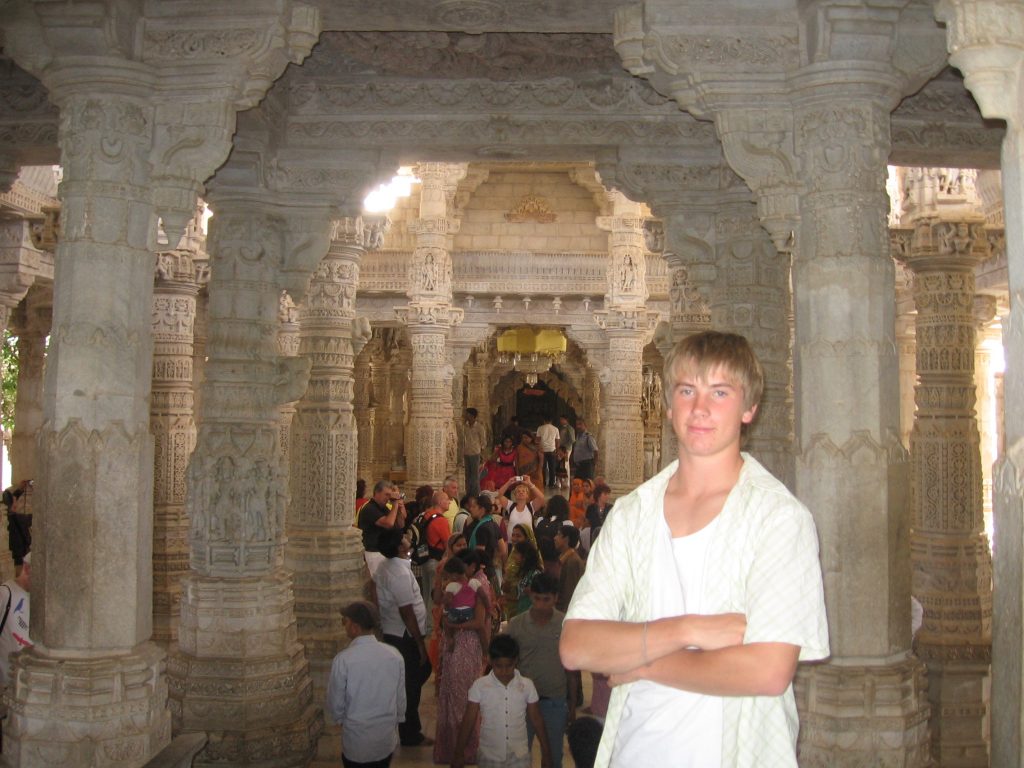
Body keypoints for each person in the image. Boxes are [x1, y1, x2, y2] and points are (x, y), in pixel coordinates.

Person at [560, 330, 830, 768]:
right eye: (687, 390)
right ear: (669, 407)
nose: (700, 408)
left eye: (720, 392)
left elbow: (767, 670)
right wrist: (688, 630)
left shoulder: (778, 518)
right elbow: (576, 645)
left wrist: (645, 663)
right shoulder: (632, 515)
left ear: (749, 408)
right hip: (635, 751)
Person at [507, 573, 577, 768]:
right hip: (522, 702)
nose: (541, 605)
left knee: (553, 757)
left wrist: (571, 706)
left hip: (554, 701)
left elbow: (571, 669)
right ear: (531, 596)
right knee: (520, 757)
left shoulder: (565, 625)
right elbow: (504, 663)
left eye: (546, 600)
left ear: (556, 598)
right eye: (537, 599)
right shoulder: (517, 625)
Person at [372, 529, 434, 748]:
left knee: (416, 676)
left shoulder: (387, 566)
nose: (409, 538)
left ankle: (406, 722)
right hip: (403, 634)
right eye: (405, 537)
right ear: (400, 546)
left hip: (396, 631)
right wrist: (419, 643)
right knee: (412, 682)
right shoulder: (397, 573)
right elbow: (406, 611)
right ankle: (410, 732)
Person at [325, 600, 405, 768]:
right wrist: (397, 719)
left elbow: (336, 702)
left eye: (344, 622)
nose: (344, 626)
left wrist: (339, 719)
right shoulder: (394, 655)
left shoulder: (344, 660)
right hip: (385, 738)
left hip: (357, 741)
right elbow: (400, 697)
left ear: (355, 627)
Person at [453, 634, 552, 768]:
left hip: (519, 755)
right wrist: (459, 753)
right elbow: (468, 719)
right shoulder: (480, 686)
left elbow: (537, 719)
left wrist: (546, 753)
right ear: (490, 661)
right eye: (499, 666)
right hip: (489, 755)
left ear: (516, 660)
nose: (504, 671)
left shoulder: (527, 686)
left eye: (509, 665)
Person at [433, 560, 489, 766]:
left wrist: (456, 627)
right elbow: (440, 603)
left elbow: (479, 623)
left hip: (465, 646)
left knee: (463, 697)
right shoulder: (458, 590)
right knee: (457, 695)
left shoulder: (474, 589)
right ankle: (456, 747)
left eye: (448, 576)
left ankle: (461, 747)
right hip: (458, 646)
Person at [357, 481, 407, 577]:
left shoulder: (384, 508)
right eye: (386, 494)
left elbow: (400, 524)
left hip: (384, 552)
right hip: (373, 553)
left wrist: (400, 507)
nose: (388, 498)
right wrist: (395, 505)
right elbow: (388, 523)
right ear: (376, 493)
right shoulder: (369, 508)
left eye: (390, 495)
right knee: (377, 582)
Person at [0, 550, 31, 689]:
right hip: (6, 684)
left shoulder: (43, 600)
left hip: (28, 685)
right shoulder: (5, 593)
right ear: (26, 569)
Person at [553, 525, 584, 614]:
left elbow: (569, 593)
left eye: (558, 535)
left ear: (566, 539)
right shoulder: (564, 557)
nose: (555, 538)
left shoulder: (572, 561)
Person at [463, 408, 488, 497]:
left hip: (475, 452)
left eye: (468, 414)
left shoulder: (479, 427)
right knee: (468, 475)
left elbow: (483, 441)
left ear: (472, 416)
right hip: (466, 452)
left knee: (475, 475)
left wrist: (482, 453)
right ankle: (468, 493)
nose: (466, 416)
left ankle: (476, 494)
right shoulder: (465, 426)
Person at [535, 416, 561, 489]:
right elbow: (557, 441)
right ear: (551, 421)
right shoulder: (555, 429)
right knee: (552, 467)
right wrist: (557, 450)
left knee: (542, 467)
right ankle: (551, 484)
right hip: (552, 450)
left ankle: (543, 482)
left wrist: (538, 449)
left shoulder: (540, 428)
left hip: (542, 451)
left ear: (544, 421)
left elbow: (537, 440)